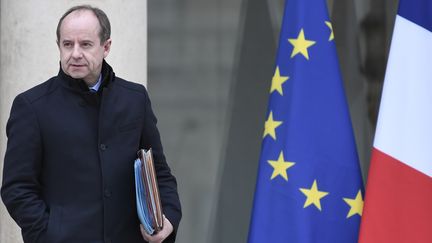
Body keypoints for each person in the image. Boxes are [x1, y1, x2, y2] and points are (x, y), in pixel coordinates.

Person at [1, 5, 181, 243]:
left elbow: (159, 172)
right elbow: (17, 188)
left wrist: (167, 219)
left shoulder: (135, 98)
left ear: (106, 47)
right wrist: (49, 235)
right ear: (59, 47)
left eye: (85, 44)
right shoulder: (31, 106)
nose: (75, 53)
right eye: (67, 44)